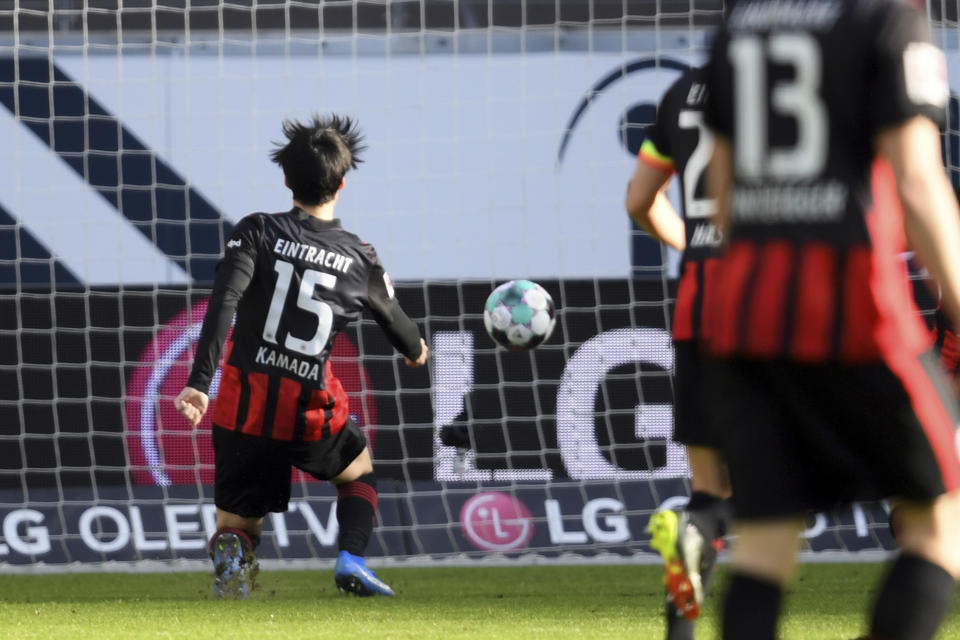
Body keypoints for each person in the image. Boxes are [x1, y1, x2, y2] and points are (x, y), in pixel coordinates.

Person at [702, 0, 960, 637]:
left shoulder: (742, 25)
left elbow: (722, 183)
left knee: (764, 543)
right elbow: (916, 178)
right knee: (943, 523)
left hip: (752, 319)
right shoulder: (888, 18)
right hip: (859, 314)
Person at [174, 114, 428, 599]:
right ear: (342, 183)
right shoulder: (360, 257)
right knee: (358, 473)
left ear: (287, 179)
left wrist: (199, 381)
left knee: (238, 524)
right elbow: (398, 324)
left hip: (242, 408)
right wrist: (416, 350)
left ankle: (233, 562)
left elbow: (223, 303)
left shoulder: (256, 231)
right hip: (310, 411)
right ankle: (351, 558)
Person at [625, 66, 732, 639]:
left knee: (709, 494)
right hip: (774, 300)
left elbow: (641, 199)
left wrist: (698, 244)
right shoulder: (811, 75)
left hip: (700, 305)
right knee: (782, 488)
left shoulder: (680, 92)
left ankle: (681, 629)